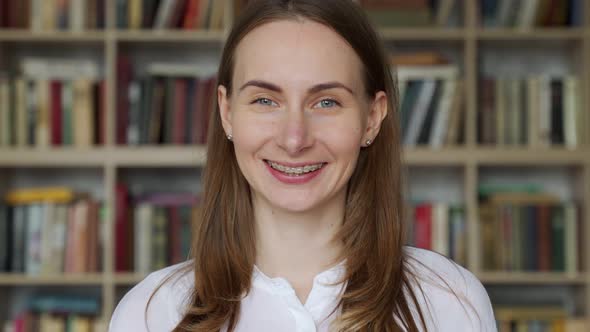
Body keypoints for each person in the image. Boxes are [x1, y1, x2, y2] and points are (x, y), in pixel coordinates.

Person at [109, 0, 496, 331]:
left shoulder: (449, 301)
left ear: (372, 118)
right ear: (227, 113)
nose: (294, 139)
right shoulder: (150, 315)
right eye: (265, 100)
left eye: (326, 102)